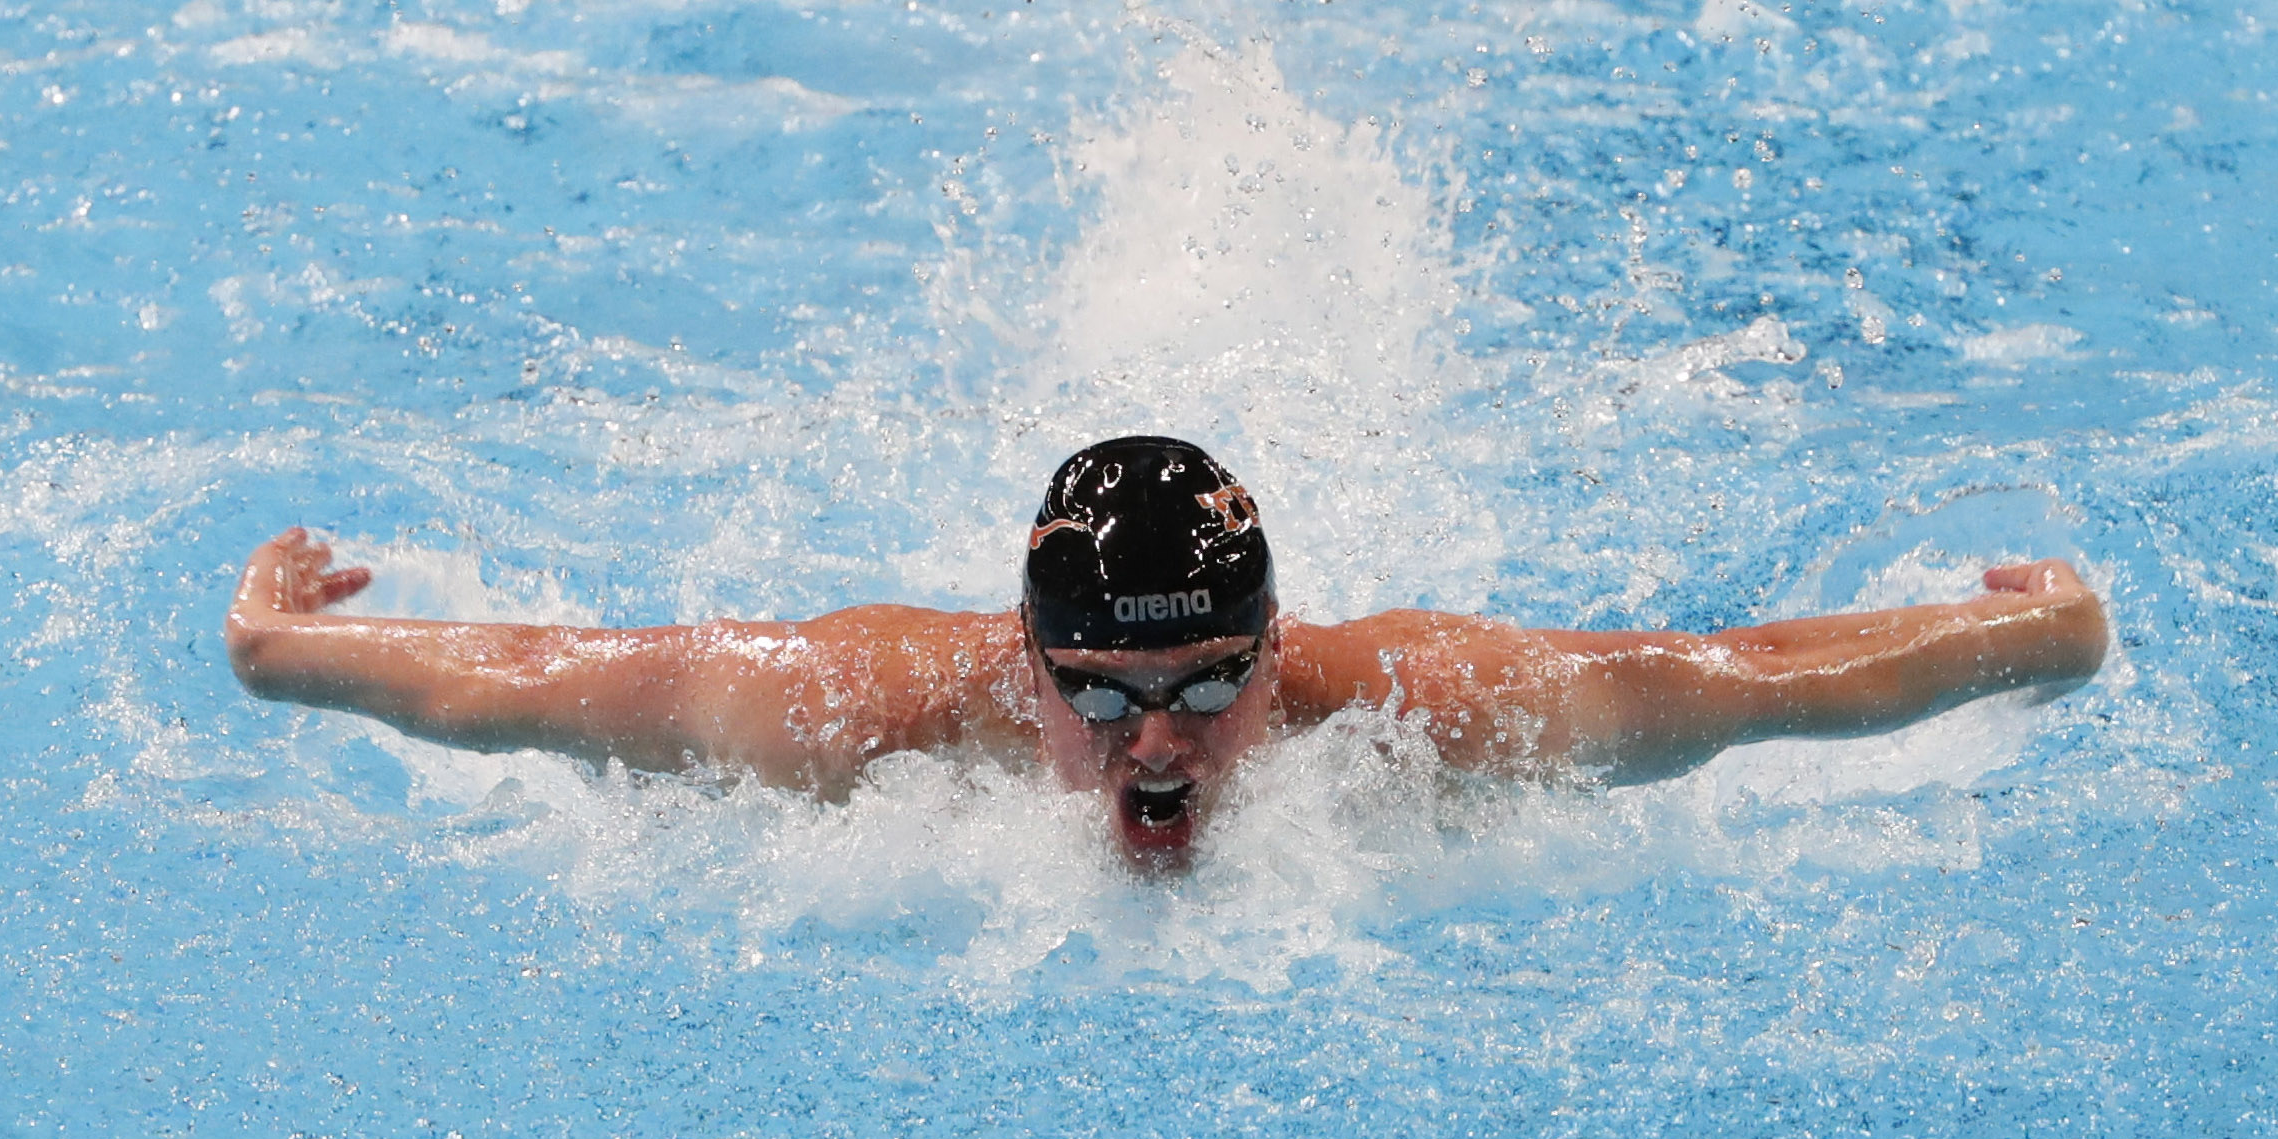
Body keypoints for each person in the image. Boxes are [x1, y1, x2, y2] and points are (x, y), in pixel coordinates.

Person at [226, 436, 2109, 869]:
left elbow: (1745, 674)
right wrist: (285, 657)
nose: (1160, 748)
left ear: (1279, 651)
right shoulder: (851, 713)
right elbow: (543, 679)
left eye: (1215, 682)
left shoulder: (1431, 707)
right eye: (1103, 698)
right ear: (1020, 667)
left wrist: (2030, 638)